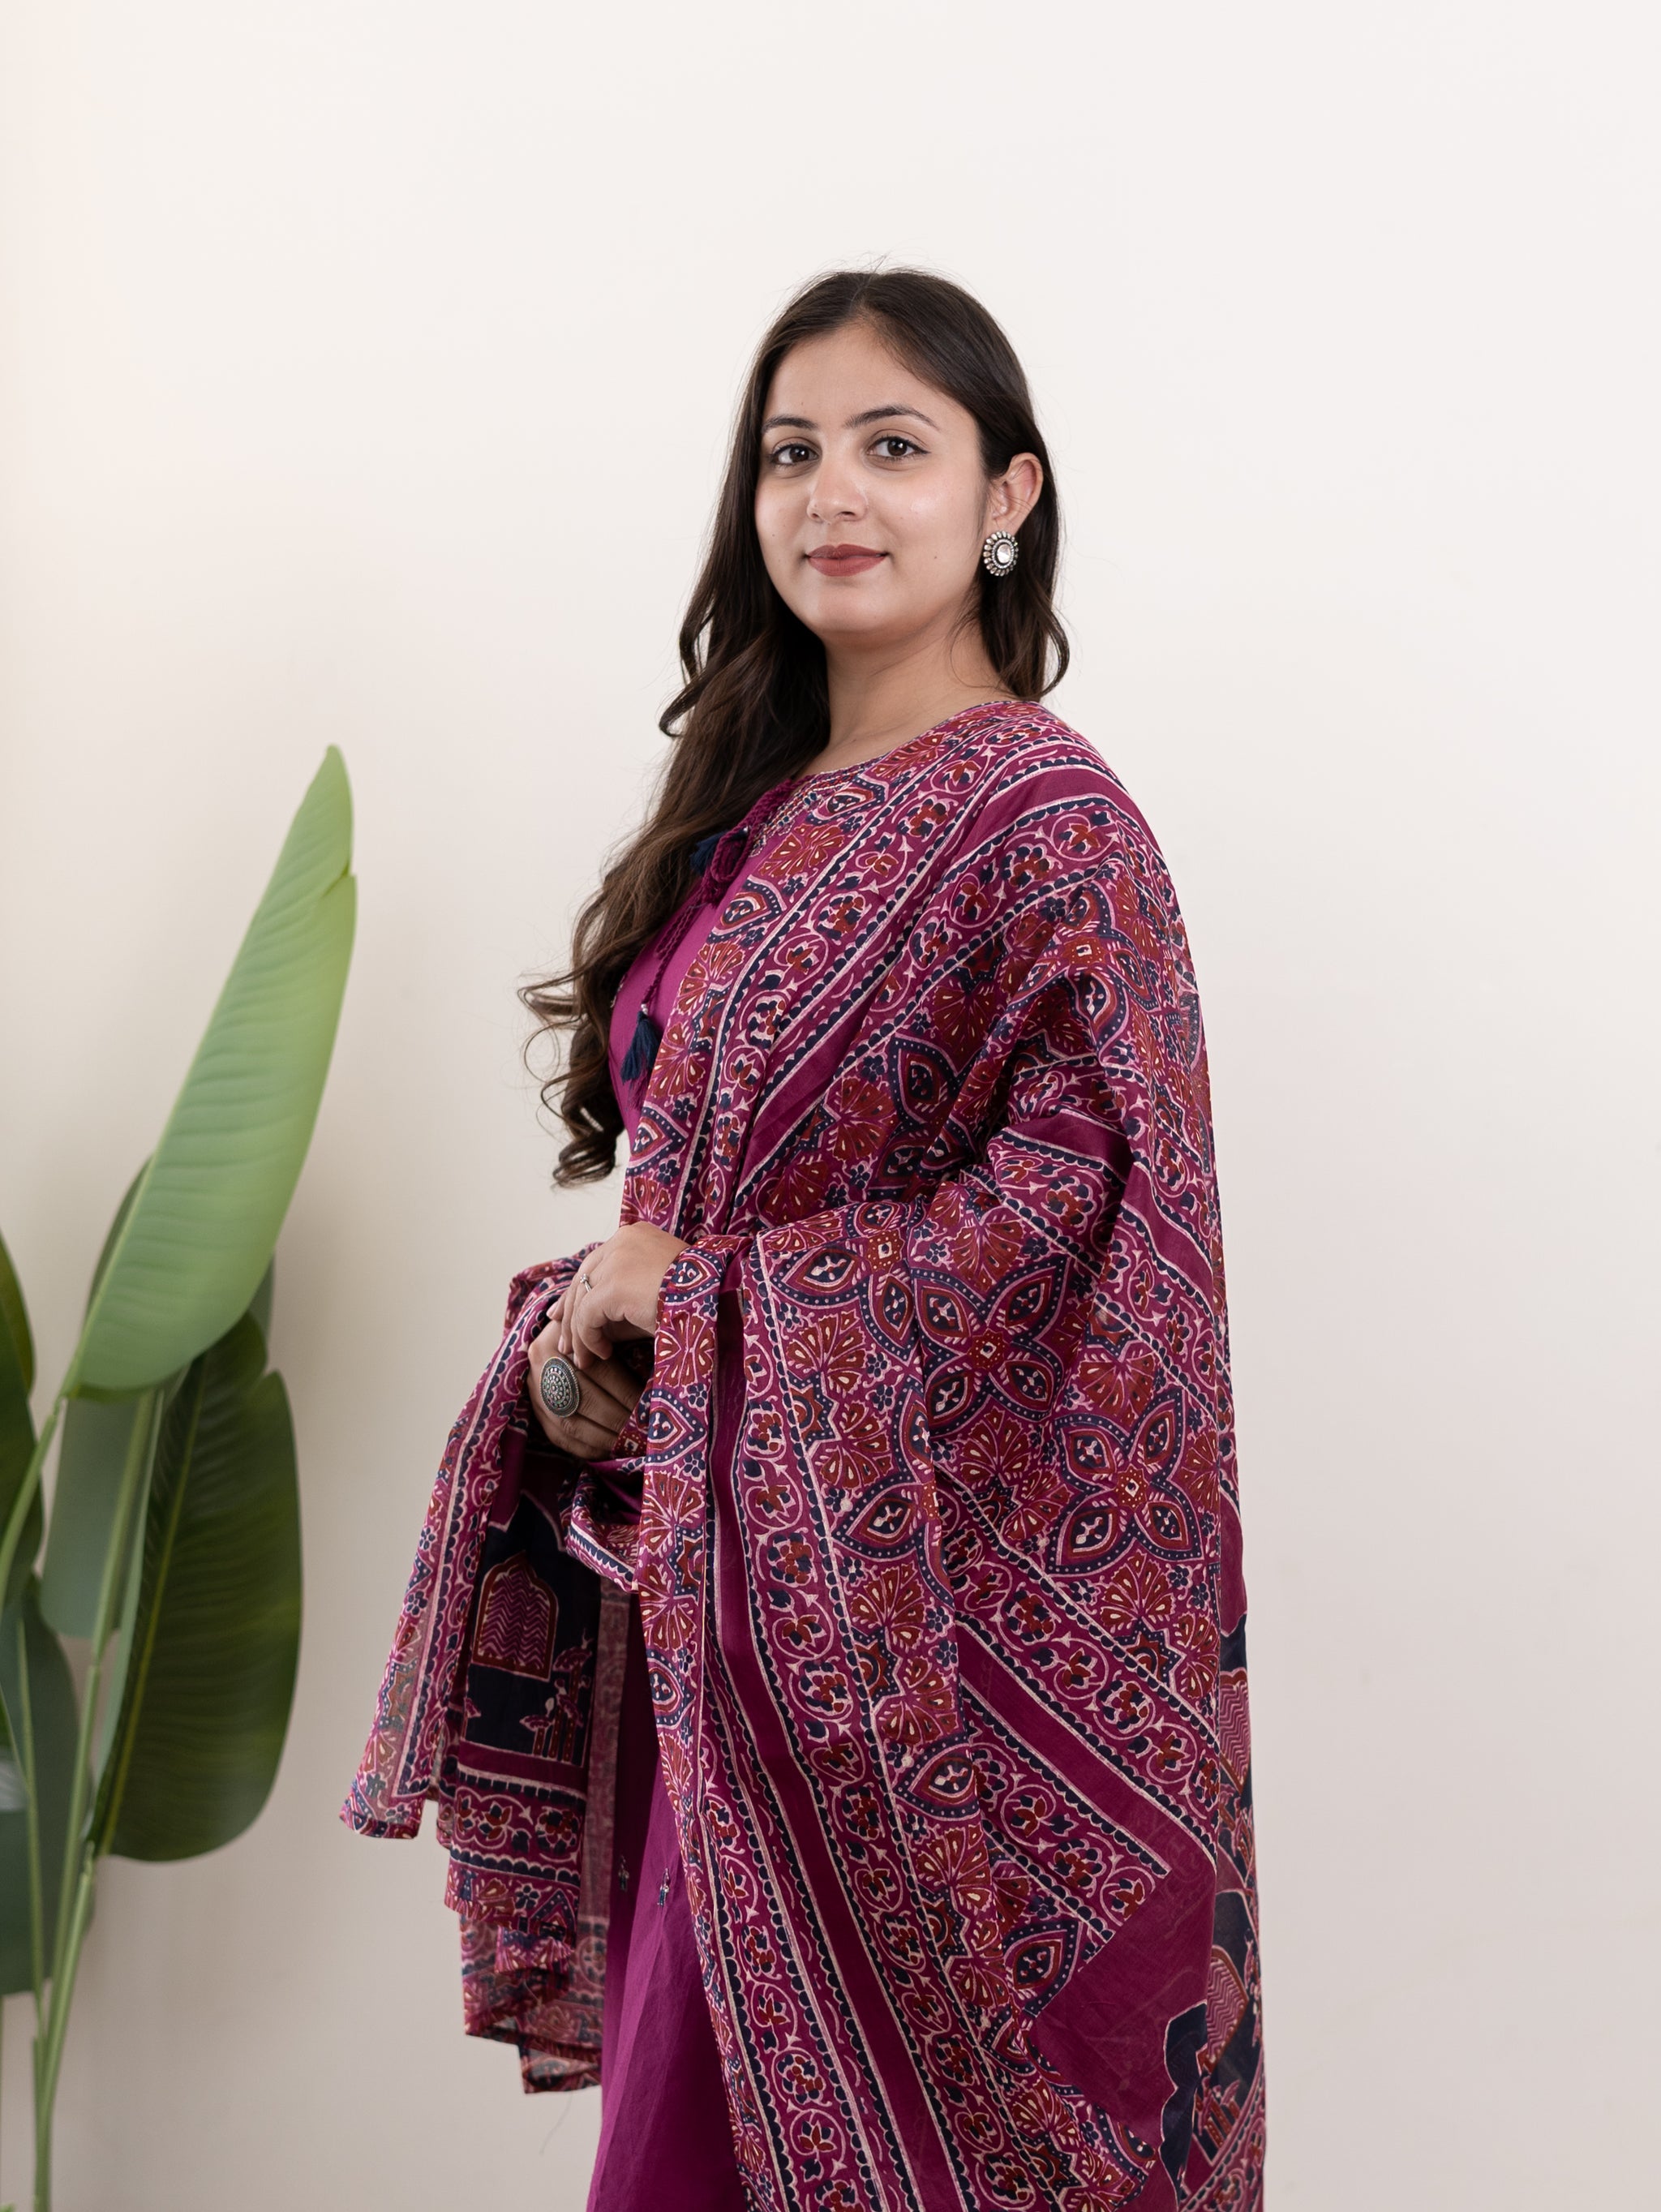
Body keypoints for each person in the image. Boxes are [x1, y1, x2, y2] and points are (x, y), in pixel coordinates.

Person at [346, 268, 1264, 2212]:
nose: (831, 492)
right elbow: (679, 1192)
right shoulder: (747, 814)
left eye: (890, 445)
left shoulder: (1047, 821)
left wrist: (712, 1303)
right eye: (790, 452)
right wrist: (594, 1356)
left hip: (907, 1679)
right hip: (717, 1612)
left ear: (1006, 493)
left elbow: (1083, 1209)